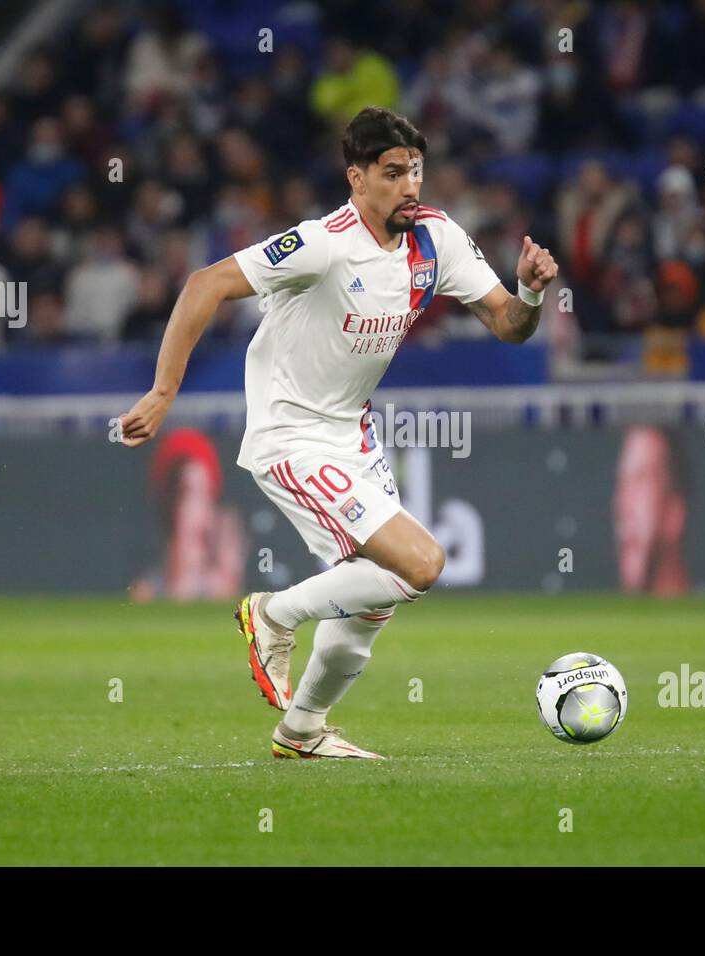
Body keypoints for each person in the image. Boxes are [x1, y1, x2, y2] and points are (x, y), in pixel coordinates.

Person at [119, 107, 558, 758]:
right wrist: (162, 392)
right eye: (392, 173)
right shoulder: (323, 243)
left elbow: (507, 323)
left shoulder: (435, 240)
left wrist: (530, 291)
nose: (410, 186)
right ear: (357, 179)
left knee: (370, 605)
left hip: (354, 436)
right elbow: (204, 284)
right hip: (290, 435)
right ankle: (273, 614)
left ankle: (301, 731)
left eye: (416, 172)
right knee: (421, 563)